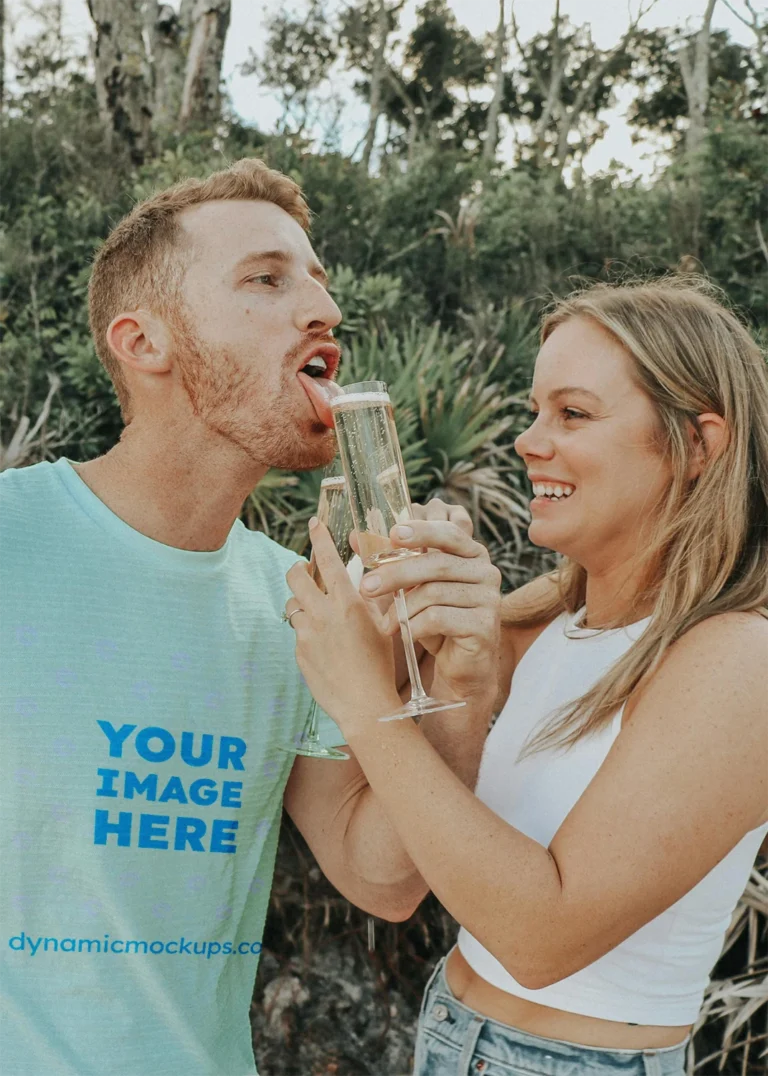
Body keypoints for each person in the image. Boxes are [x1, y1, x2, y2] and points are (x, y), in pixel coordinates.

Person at [0, 158, 501, 1075]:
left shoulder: (298, 605)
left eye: (317, 280)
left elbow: (382, 878)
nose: (323, 310)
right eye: (267, 280)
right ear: (142, 341)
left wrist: (464, 684)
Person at [286, 278, 768, 1076]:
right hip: (448, 1028)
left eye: (572, 413)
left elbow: (542, 937)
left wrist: (368, 702)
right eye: (536, 410)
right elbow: (382, 876)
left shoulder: (738, 657)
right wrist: (446, 673)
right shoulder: (541, 618)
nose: (529, 441)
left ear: (698, 445)